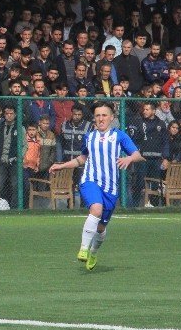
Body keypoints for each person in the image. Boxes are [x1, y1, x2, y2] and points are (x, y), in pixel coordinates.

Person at [49, 102, 144, 271]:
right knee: (96, 210)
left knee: (101, 229)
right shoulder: (89, 136)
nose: (101, 119)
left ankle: (93, 251)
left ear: (111, 118)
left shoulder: (119, 136)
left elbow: (138, 155)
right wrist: (61, 166)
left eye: (104, 115)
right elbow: (82, 159)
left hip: (110, 187)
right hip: (90, 180)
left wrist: (129, 159)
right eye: (98, 115)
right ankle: (84, 248)